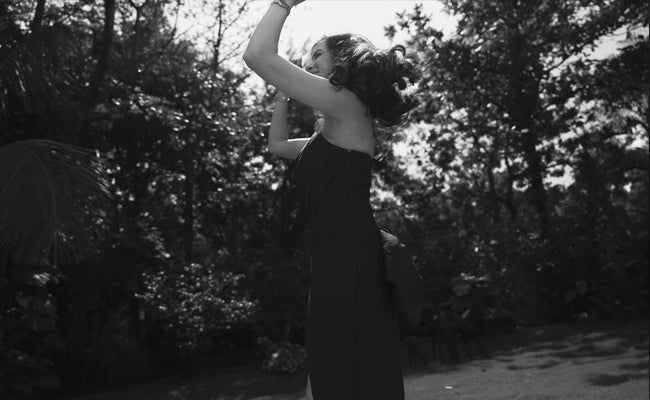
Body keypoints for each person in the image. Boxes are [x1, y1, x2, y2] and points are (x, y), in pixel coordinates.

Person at [243, 1, 419, 399]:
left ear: (342, 61)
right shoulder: (328, 135)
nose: (308, 64)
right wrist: (283, 95)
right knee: (333, 364)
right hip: (332, 255)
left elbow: (257, 55)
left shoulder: (349, 104)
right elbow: (277, 146)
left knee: (342, 367)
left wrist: (284, 3)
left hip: (349, 253)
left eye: (316, 55)